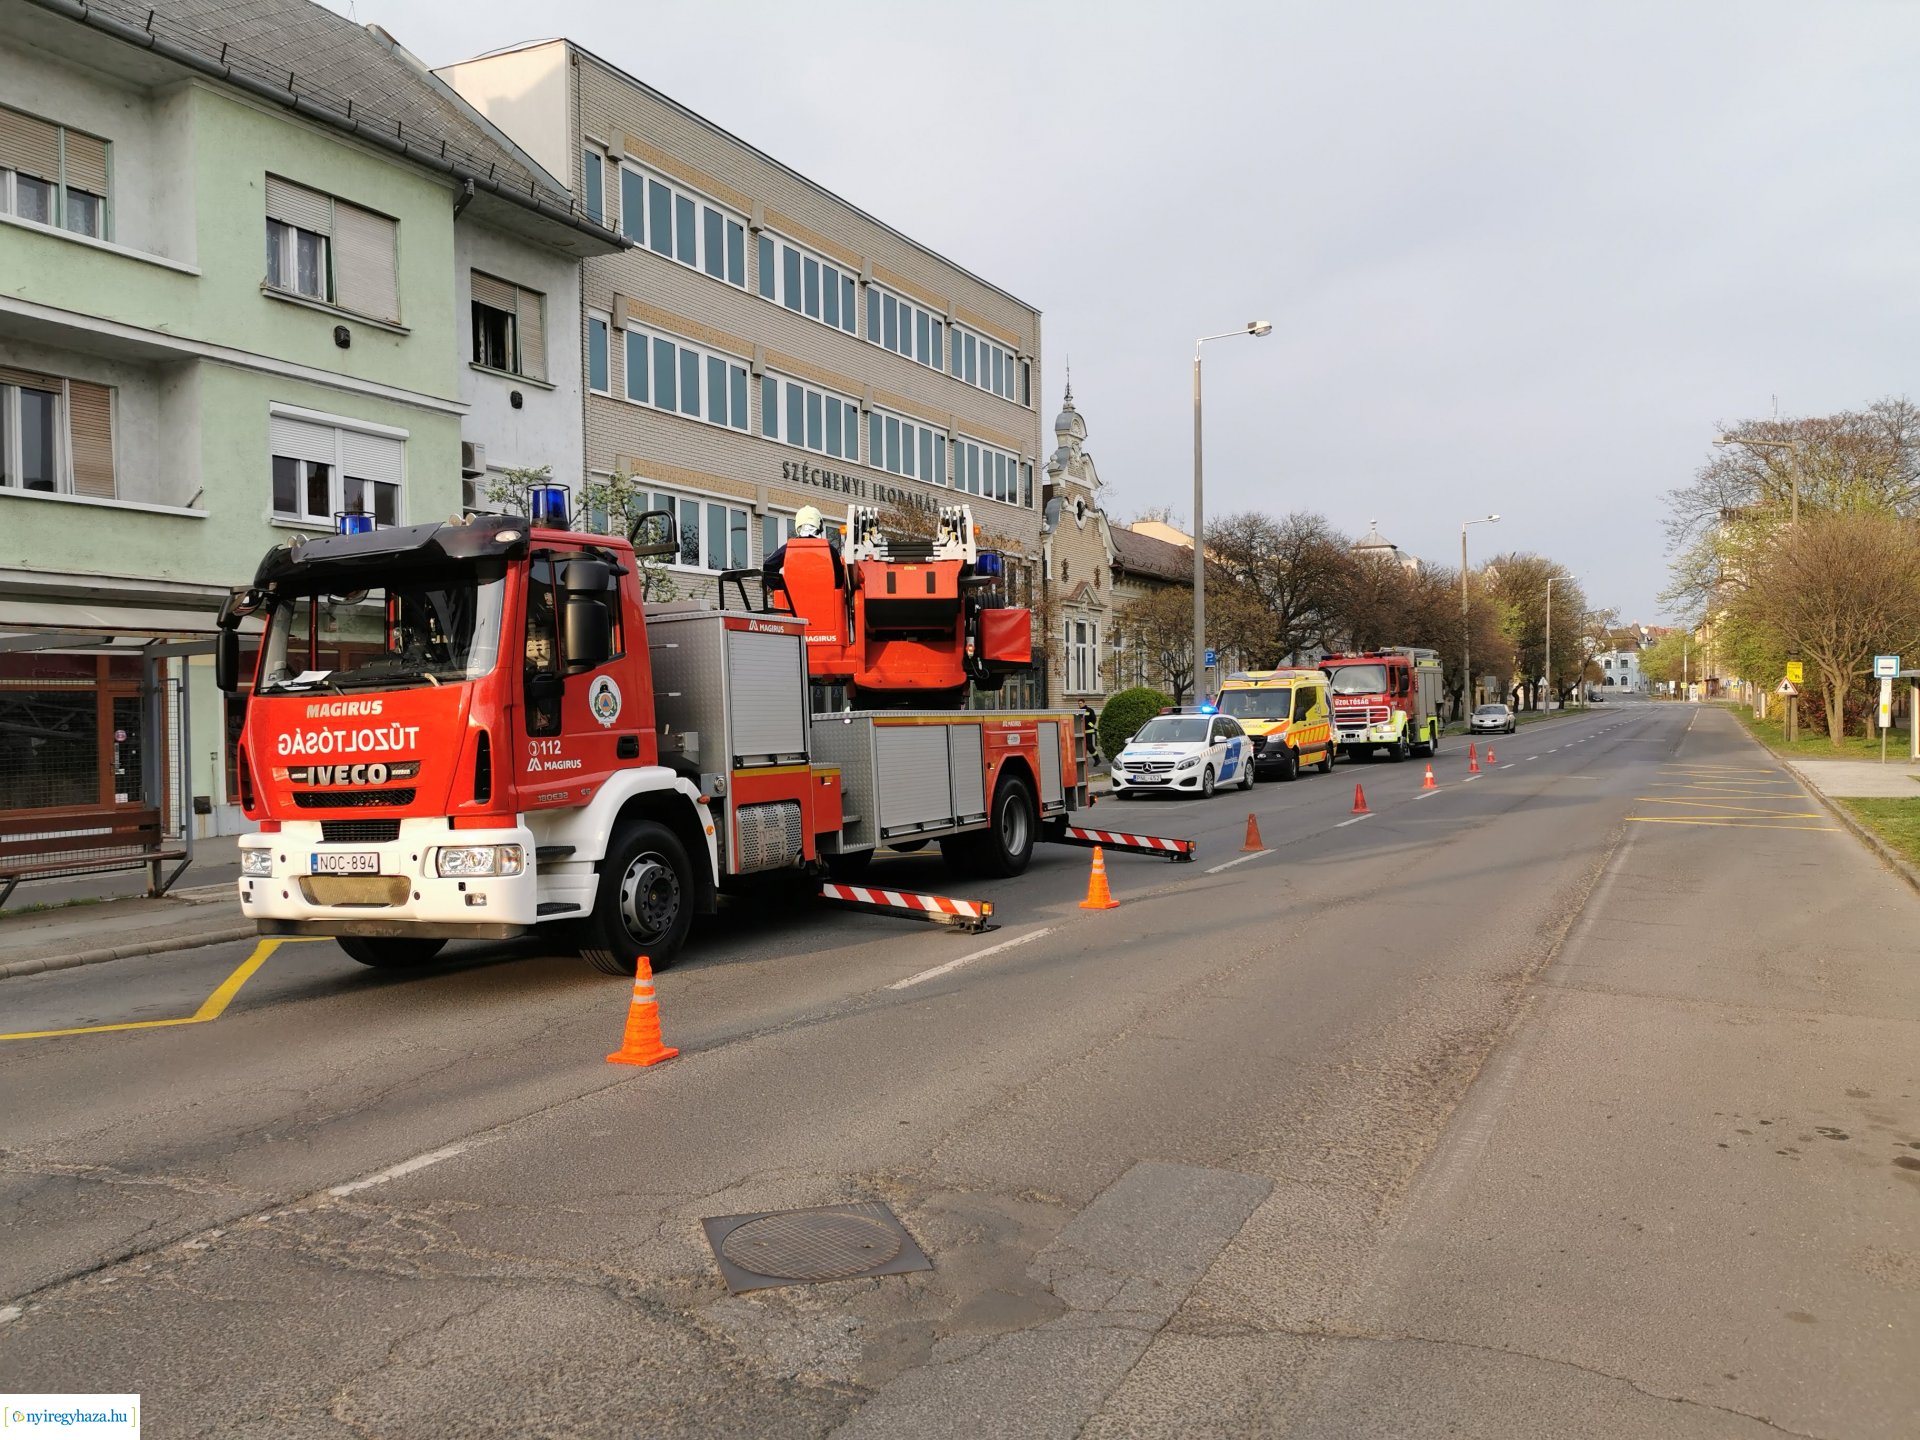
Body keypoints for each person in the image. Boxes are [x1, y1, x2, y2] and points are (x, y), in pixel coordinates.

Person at [762, 504, 845, 595]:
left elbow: (768, 566)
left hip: (792, 604)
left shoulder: (789, 548)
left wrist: (783, 588)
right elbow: (839, 579)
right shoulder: (829, 550)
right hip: (826, 602)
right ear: (819, 525)